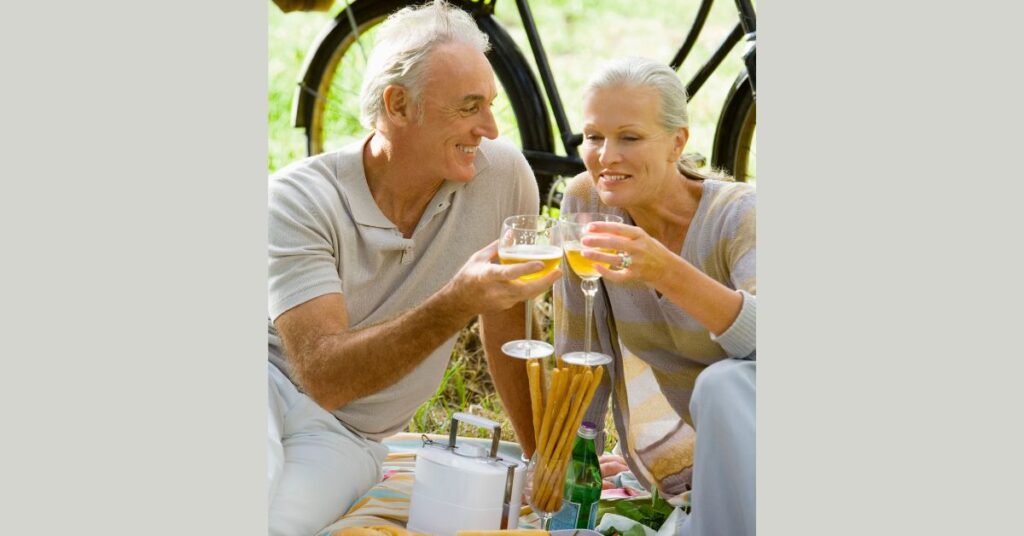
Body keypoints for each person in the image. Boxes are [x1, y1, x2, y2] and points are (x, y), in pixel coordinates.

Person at [267, 2, 560, 535]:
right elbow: (325, 377)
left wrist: (542, 459)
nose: (489, 129)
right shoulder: (296, 199)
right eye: (470, 108)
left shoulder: (502, 176)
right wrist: (456, 302)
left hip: (349, 436)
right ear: (398, 105)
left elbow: (509, 327)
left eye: (490, 106)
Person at [554, 57, 755, 536]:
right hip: (719, 469)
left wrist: (667, 271)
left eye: (630, 137)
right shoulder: (589, 202)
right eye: (593, 137)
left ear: (677, 142)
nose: (606, 157)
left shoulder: (739, 216)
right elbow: (581, 351)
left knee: (723, 383)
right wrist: (566, 465)